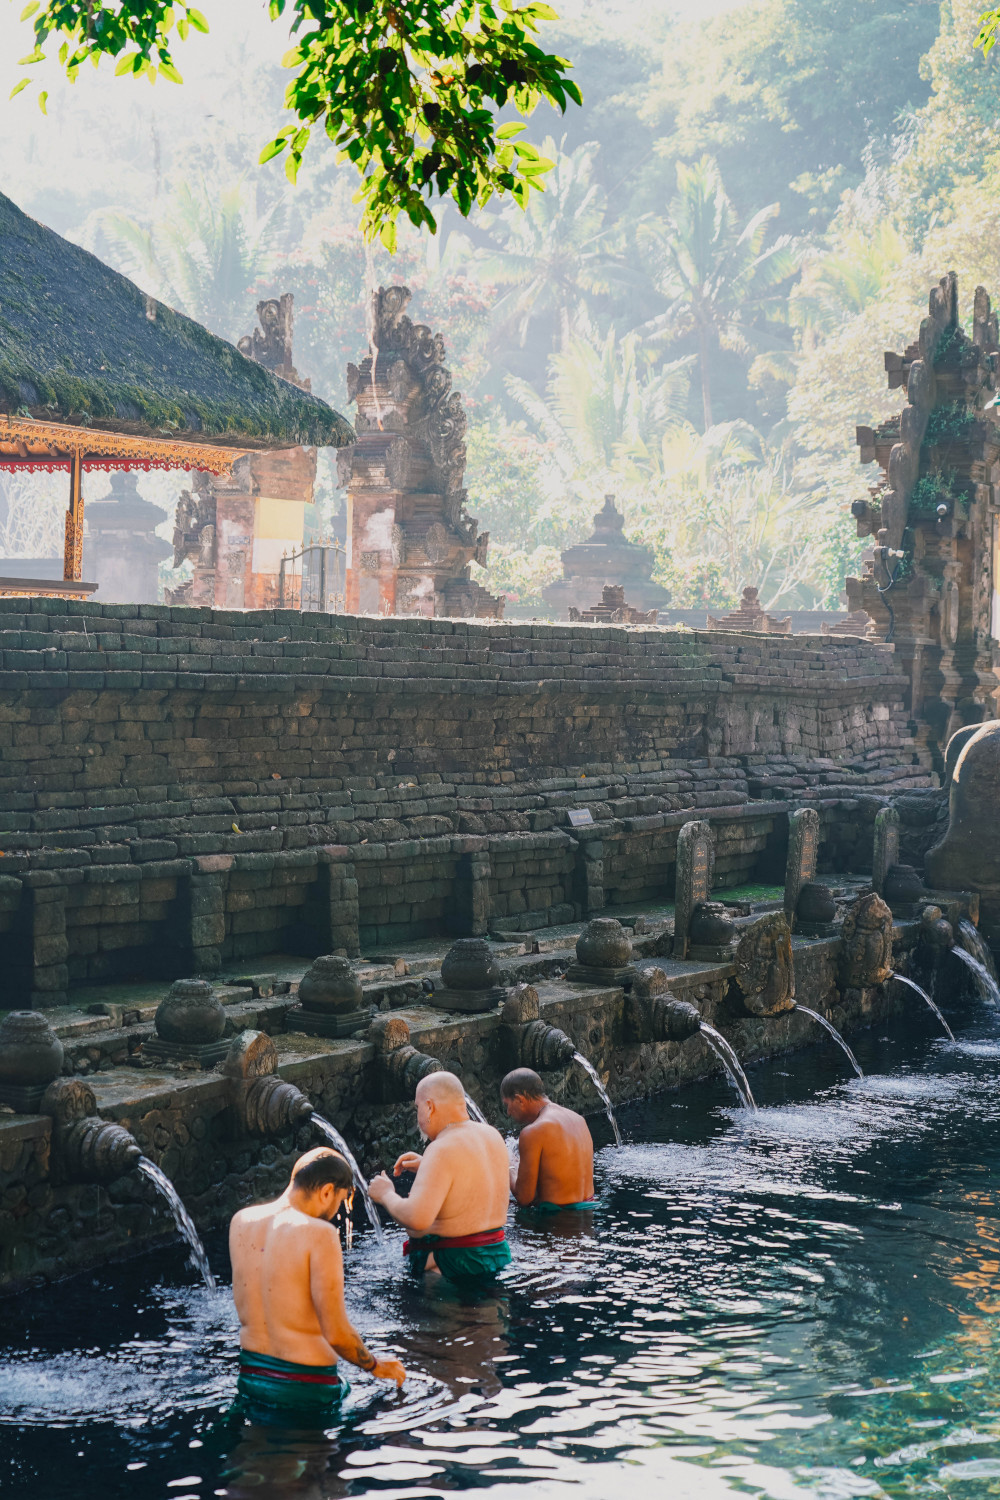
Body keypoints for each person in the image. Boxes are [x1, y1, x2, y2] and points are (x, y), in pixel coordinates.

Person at [230, 1147, 405, 1424]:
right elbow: (335, 1333)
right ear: (326, 1192)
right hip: (306, 1389)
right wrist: (376, 1365)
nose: (337, 1213)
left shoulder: (241, 1221)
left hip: (251, 1381)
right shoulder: (320, 1234)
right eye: (339, 1201)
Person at [369, 1071, 512, 1283]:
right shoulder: (491, 1135)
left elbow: (417, 1218)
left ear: (430, 1107)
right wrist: (427, 1166)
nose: (418, 1115)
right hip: (495, 1255)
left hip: (451, 1267)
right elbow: (473, 1180)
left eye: (418, 1108)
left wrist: (386, 1194)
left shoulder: (441, 1148)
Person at [502, 1068, 597, 1211]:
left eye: (507, 1105)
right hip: (588, 1216)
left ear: (520, 1099)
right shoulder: (579, 1120)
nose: (508, 1112)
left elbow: (524, 1197)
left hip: (557, 1222)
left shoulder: (533, 1132)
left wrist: (508, 1165)